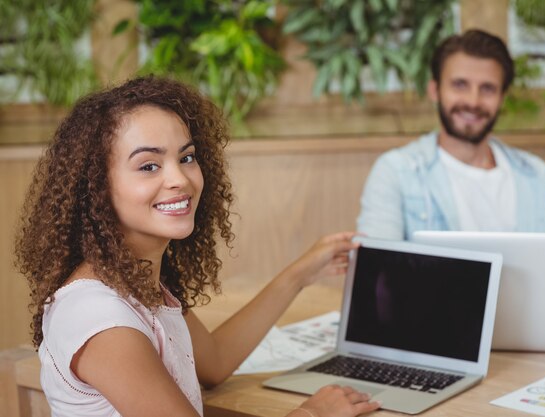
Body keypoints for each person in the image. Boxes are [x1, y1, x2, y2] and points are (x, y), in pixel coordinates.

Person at [14, 76, 381, 417]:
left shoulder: (135, 281)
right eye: (148, 166)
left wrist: (301, 274)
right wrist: (314, 413)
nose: (179, 179)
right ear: (95, 188)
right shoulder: (99, 318)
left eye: (186, 157)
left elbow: (216, 362)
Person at [357, 29, 545, 240]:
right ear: (435, 91)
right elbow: (375, 270)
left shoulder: (537, 177)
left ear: (502, 98)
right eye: (460, 85)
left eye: (487, 88)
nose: (473, 101)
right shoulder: (396, 172)